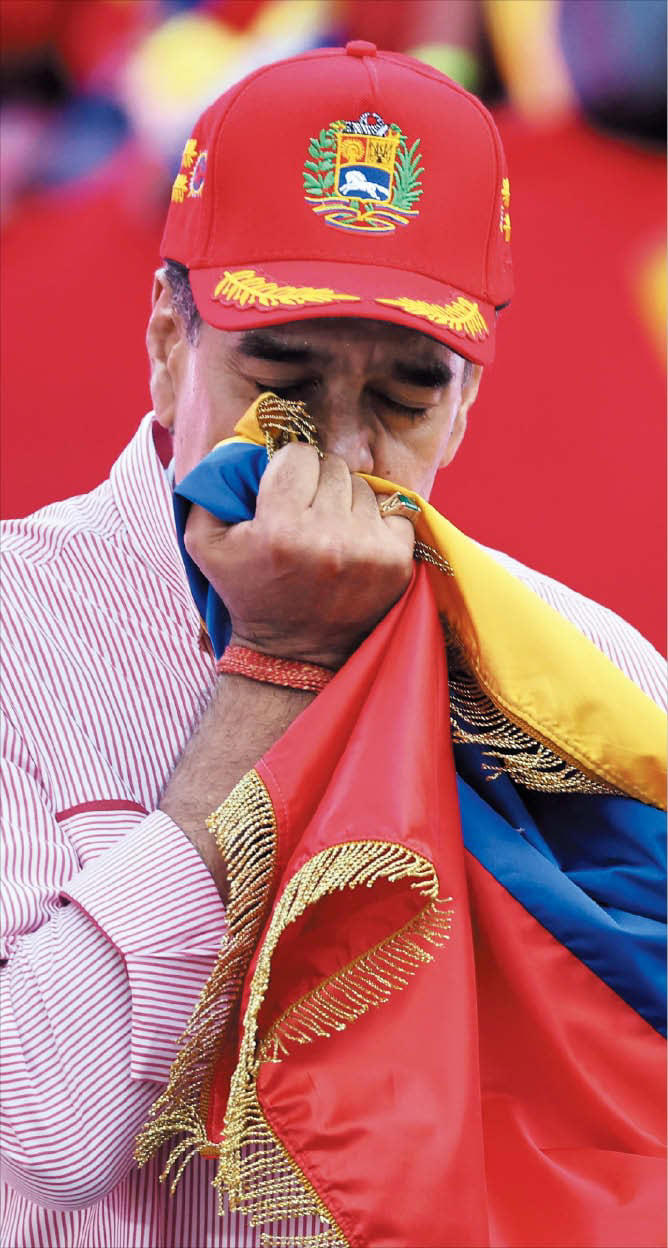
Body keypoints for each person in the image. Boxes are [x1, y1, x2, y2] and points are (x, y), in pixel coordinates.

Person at [1, 44, 665, 1248]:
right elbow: (37, 1123)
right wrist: (276, 671)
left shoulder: (582, 678)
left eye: (406, 393)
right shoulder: (16, 628)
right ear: (165, 339)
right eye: (284, 375)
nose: (342, 454)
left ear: (468, 398)